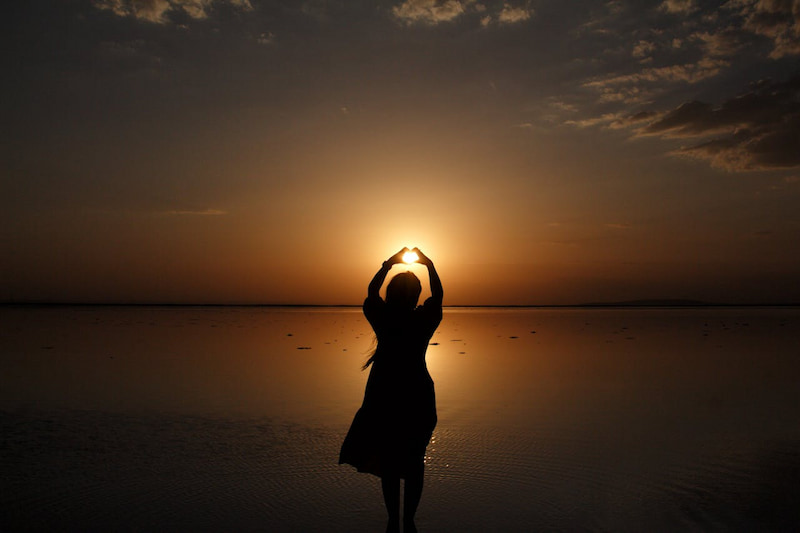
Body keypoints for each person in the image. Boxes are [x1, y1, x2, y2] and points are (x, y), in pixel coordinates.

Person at [339, 247, 443, 533]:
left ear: (392, 293)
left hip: (384, 394)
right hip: (417, 395)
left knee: (389, 459)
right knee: (414, 460)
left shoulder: (383, 319)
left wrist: (388, 264)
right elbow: (439, 298)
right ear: (416, 295)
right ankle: (408, 520)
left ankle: (393, 520)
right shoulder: (423, 321)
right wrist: (430, 265)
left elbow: (372, 293)